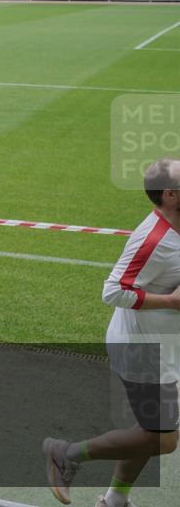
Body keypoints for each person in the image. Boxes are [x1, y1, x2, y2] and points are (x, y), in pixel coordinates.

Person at [44, 158, 180, 506]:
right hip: (141, 349)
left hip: (165, 343)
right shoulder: (152, 240)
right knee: (163, 439)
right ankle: (67, 454)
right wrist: (171, 300)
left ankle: (114, 500)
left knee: (149, 430)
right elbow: (114, 291)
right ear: (170, 194)